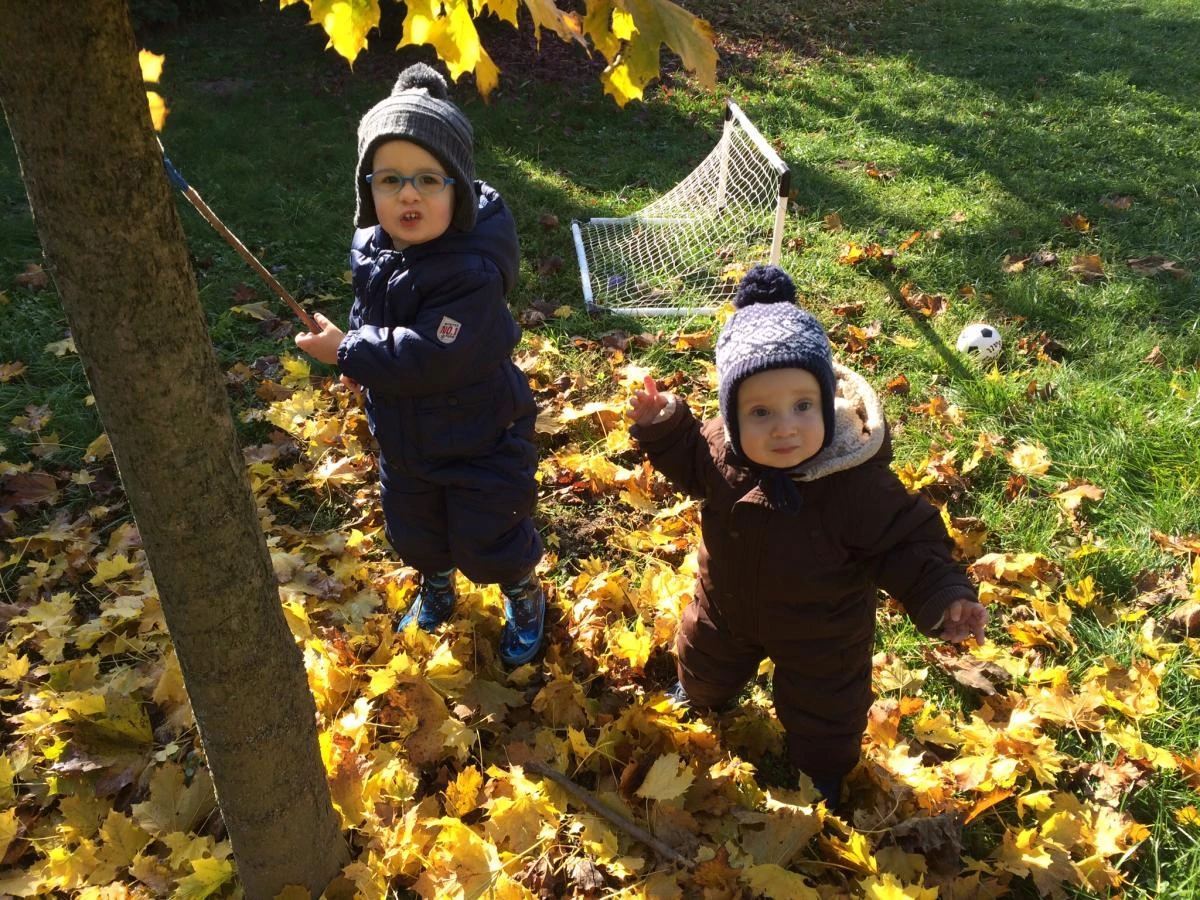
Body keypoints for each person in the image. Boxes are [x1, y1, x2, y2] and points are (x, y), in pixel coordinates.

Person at [626, 265, 987, 807]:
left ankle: (820, 771)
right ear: (732, 415)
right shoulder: (723, 448)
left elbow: (906, 541)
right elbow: (692, 461)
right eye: (760, 411)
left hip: (824, 631)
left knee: (828, 708)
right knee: (703, 658)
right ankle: (701, 695)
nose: (785, 427)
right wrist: (665, 425)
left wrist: (943, 593)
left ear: (826, 401)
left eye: (802, 405)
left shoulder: (854, 481)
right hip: (726, 605)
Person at [295, 63, 545, 666]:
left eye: (428, 179)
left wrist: (350, 351)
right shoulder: (374, 246)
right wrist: (359, 349)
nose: (408, 195)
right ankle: (436, 587)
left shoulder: (473, 270)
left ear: (458, 190)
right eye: (389, 180)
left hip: (479, 436)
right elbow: (373, 310)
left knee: (489, 537)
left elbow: (434, 353)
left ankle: (522, 591)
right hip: (407, 436)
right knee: (416, 530)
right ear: (368, 190)